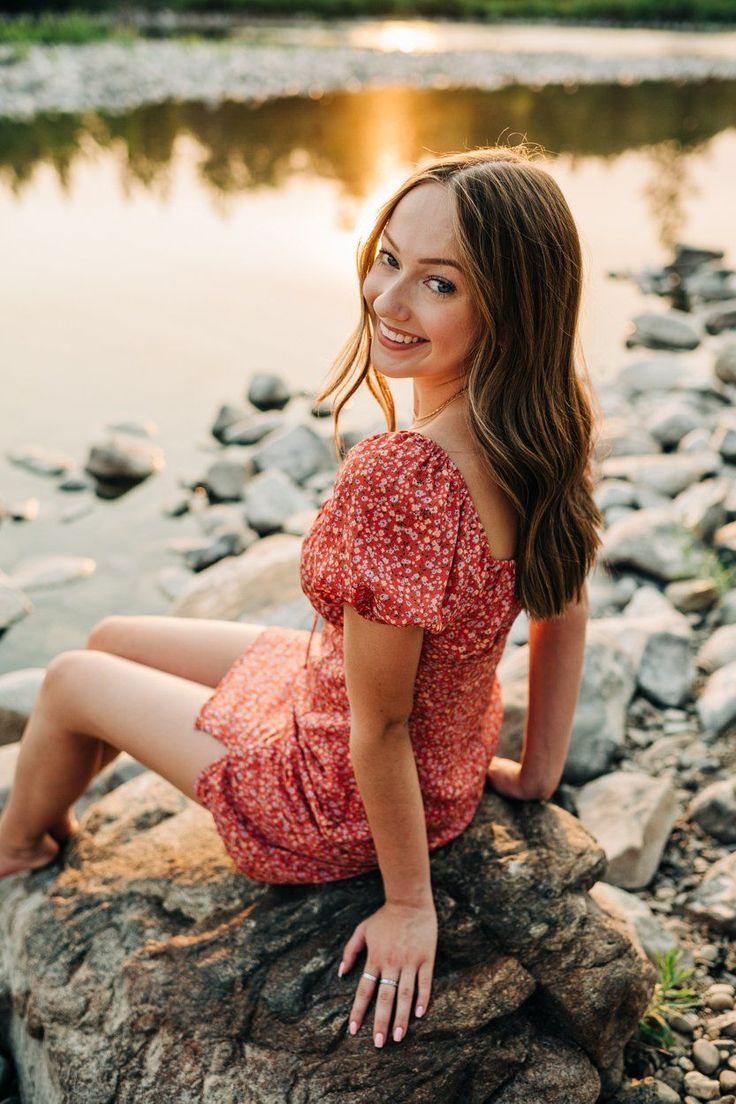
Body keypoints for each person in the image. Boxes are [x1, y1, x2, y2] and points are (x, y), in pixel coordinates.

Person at [0, 144, 603, 1053]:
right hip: (441, 757)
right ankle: (57, 796)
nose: (387, 301)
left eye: (439, 285)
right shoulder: (547, 422)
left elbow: (381, 727)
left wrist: (410, 906)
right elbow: (566, 606)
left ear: (512, 309)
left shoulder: (407, 476)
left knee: (73, 677)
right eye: (387, 258)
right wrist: (537, 772)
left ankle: (17, 855)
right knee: (114, 629)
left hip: (335, 795)